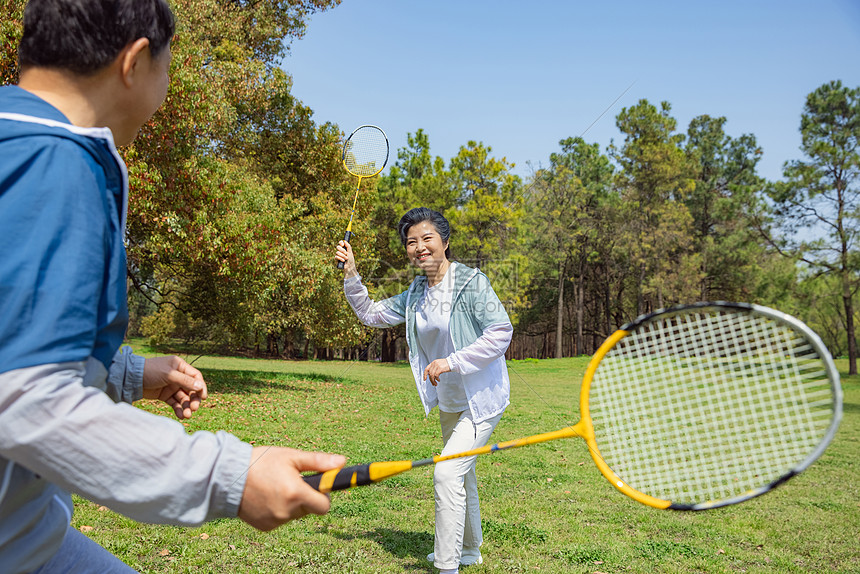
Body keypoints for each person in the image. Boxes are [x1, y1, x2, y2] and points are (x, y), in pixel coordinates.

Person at [0, 1, 345, 573]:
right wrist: (231, 476)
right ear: (135, 62)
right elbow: (27, 399)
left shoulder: (14, 142)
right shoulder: (54, 164)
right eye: (168, 65)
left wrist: (127, 374)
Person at [334, 207, 512, 574]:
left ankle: (447, 566)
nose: (420, 247)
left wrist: (451, 361)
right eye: (411, 242)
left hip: (481, 399)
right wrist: (351, 272)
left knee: (446, 473)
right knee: (462, 474)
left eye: (427, 238)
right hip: (450, 399)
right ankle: (469, 550)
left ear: (445, 242)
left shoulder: (471, 283)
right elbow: (371, 313)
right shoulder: (416, 292)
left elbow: (500, 332)